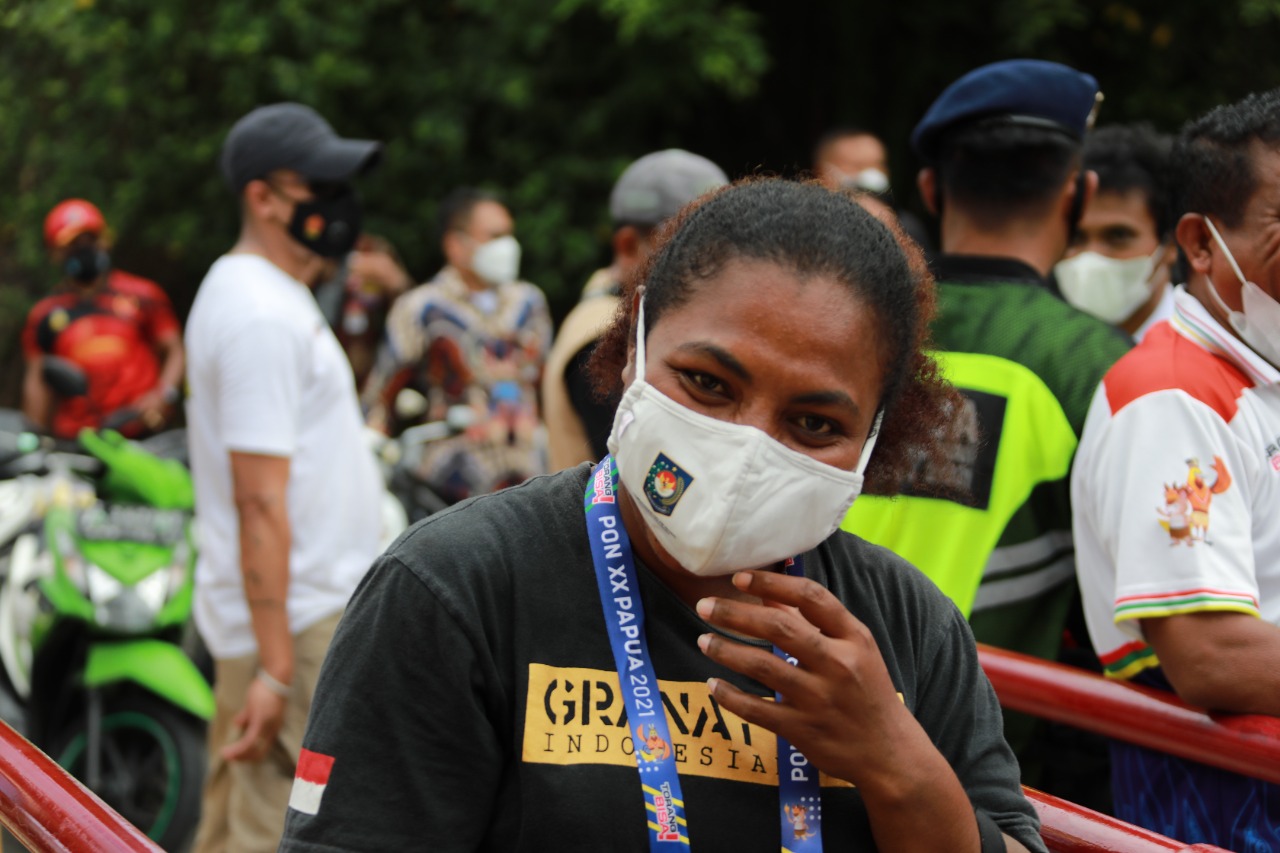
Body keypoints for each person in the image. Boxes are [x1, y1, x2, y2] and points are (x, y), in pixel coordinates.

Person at [280, 179, 1045, 852]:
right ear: (637, 340)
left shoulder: (908, 626)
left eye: (813, 423)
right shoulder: (456, 590)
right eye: (709, 384)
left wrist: (894, 760)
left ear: (876, 437)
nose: (748, 446)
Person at [839, 60, 1131, 802]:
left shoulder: (851, 329)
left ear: (930, 191)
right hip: (982, 762)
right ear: (1080, 193)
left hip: (809, 710)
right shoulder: (1100, 367)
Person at [1073, 89, 1280, 849]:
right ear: (1200, 243)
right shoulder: (1173, 396)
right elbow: (1210, 652)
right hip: (1219, 795)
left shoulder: (1259, 372)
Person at [184, 102, 384, 852]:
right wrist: (273, 667)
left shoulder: (264, 295)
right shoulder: (259, 314)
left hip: (290, 617)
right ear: (262, 197)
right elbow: (259, 499)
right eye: (319, 186)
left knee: (236, 822)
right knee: (275, 829)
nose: (337, 205)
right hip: (293, 626)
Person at [362, 187, 551, 504]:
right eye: (494, 236)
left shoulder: (530, 304)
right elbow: (382, 396)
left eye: (509, 235)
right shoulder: (422, 308)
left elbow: (546, 386)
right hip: (448, 490)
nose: (507, 246)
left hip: (529, 483)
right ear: (455, 245)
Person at [543, 149, 728, 470]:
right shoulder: (605, 333)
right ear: (629, 245)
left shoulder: (619, 304)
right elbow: (647, 467)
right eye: (694, 245)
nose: (720, 262)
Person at [22, 199, 184, 438]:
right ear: (55, 253)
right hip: (81, 441)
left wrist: (163, 395)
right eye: (73, 244)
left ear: (105, 241)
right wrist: (35, 438)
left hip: (140, 432)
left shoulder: (142, 295)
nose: (84, 249)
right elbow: (38, 379)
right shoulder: (45, 314)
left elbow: (175, 350)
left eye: (91, 240)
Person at [1055, 123, 1177, 340]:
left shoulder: (1204, 355)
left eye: (1117, 236)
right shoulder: (1041, 345)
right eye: (1076, 237)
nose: (1092, 256)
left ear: (1171, 244)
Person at [813, 128, 935, 256]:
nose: (871, 173)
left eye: (879, 165)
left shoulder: (907, 228)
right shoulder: (804, 220)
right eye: (857, 165)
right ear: (821, 173)